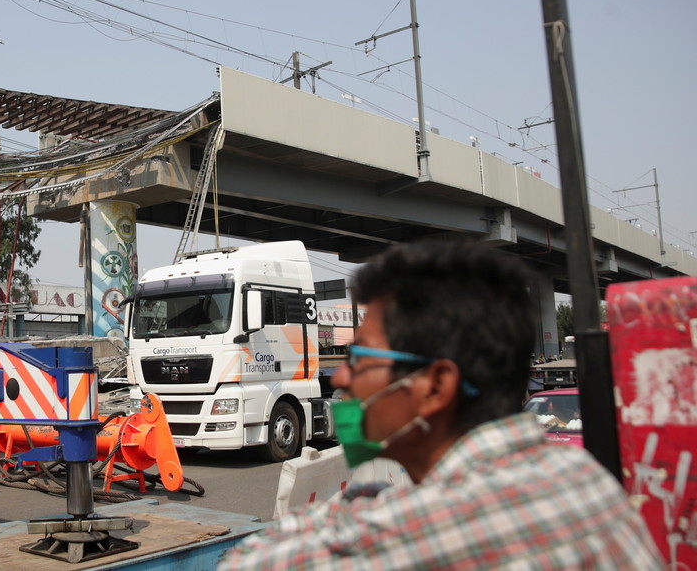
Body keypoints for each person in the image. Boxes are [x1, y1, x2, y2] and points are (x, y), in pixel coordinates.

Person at [219, 238, 662, 570]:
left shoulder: (423, 528)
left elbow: (246, 563)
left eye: (363, 359)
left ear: (434, 387)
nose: (344, 378)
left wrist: (365, 498)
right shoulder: (583, 477)